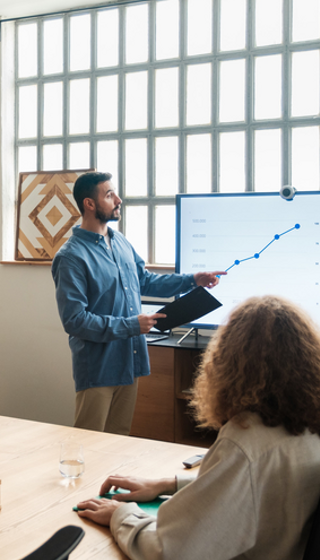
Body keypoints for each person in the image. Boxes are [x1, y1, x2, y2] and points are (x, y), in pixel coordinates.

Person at [76, 295, 320, 560]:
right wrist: (169, 484)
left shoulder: (247, 441)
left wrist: (121, 514)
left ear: (231, 361)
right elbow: (261, 485)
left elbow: (172, 551)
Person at [51, 171, 224, 434]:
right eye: (109, 195)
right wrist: (132, 325)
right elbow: (75, 321)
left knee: (119, 442)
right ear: (89, 204)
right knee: (88, 444)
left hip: (130, 361)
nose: (118, 200)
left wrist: (192, 280)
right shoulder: (71, 256)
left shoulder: (119, 241)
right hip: (98, 367)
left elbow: (145, 281)